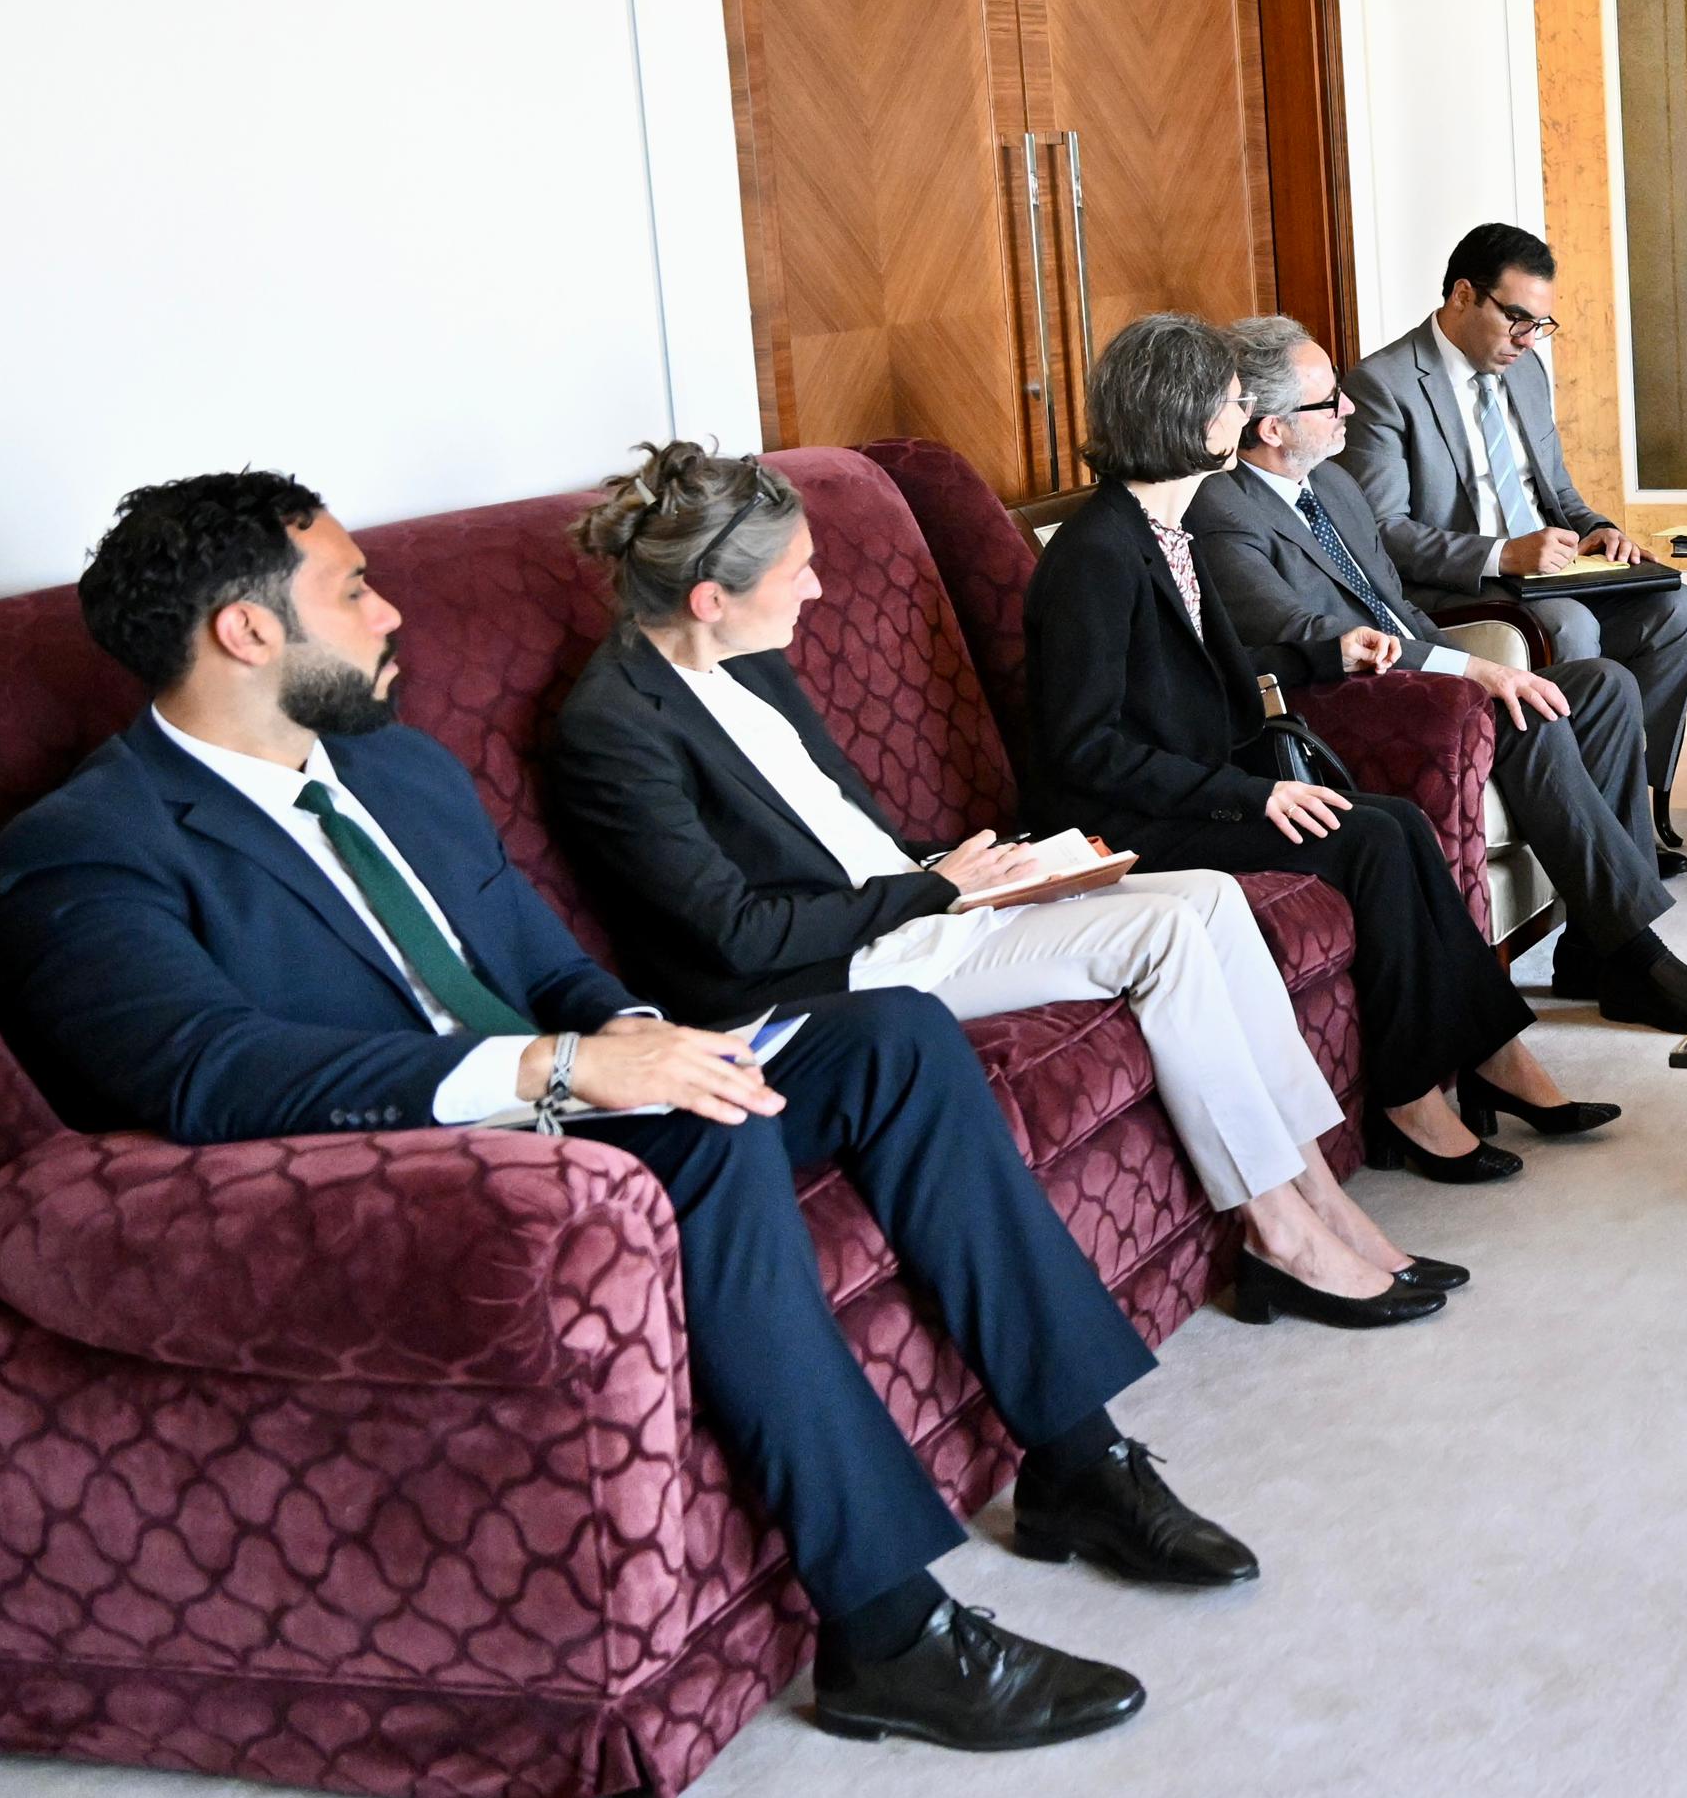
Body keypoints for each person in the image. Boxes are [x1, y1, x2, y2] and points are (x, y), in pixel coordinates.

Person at [0, 473, 1256, 1752]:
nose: (389, 616)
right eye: (353, 590)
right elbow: (207, 1073)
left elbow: (546, 965)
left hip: (557, 1096)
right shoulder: (89, 842)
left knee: (894, 1040)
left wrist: (639, 1034)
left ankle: (1075, 1462)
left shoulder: (396, 768)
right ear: (247, 630)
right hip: (415, 1167)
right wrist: (559, 1071)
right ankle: (887, 1633)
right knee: (705, 1137)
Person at [542, 441, 1455, 1333]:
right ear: (710, 599)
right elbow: (737, 935)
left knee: (1211, 896)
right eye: (797, 573)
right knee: (1163, 934)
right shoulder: (615, 728)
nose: (815, 591)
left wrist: (989, 862)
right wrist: (935, 888)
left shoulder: (741, 657)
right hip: (827, 972)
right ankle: (1280, 1234)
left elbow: (843, 834)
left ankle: (1320, 1194)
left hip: (907, 905)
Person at [1024, 313, 1594, 1185]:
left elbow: (1219, 671)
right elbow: (1084, 750)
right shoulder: (1096, 556)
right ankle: (1411, 1100)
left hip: (1193, 791)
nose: (1243, 414)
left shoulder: (1163, 531)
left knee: (1398, 824)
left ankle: (1492, 1052)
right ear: (1190, 419)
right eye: (1231, 401)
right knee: (1373, 839)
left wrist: (1328, 656)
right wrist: (1251, 796)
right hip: (1127, 825)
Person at [1191, 319, 1687, 1037]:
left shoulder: (1334, 486)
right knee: (1521, 716)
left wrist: (1473, 668)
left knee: (1601, 687)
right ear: (1271, 429)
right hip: (1345, 704)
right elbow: (1307, 633)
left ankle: (1592, 947)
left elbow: (1397, 607)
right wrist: (1471, 672)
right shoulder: (1220, 509)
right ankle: (1633, 954)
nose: (1349, 408)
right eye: (1330, 400)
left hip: (1417, 680)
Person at [1333, 223, 1687, 863]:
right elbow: (1382, 533)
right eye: (1516, 319)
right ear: (1463, 296)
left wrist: (1598, 531)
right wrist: (1502, 555)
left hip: (1549, 572)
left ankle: (1635, 806)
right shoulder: (1384, 384)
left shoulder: (1525, 370)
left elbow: (1556, 491)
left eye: (1540, 324)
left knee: (1681, 613)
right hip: (1462, 586)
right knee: (1570, 624)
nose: (1528, 339)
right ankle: (1591, 835)